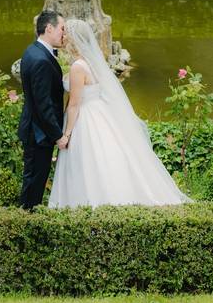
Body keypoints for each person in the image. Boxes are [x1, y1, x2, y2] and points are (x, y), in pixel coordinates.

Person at [48, 19, 189, 208]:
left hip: (85, 117)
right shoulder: (92, 61)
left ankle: (88, 203)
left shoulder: (77, 67)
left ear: (73, 39)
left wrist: (66, 134)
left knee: (87, 161)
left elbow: (74, 104)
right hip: (100, 113)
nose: (62, 36)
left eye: (65, 33)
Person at [17, 10, 66, 209]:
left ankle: (26, 215)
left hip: (35, 128)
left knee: (33, 179)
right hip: (39, 133)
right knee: (35, 182)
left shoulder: (33, 50)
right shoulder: (41, 61)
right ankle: (27, 219)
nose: (64, 33)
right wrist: (58, 136)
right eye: (62, 28)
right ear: (49, 28)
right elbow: (43, 104)